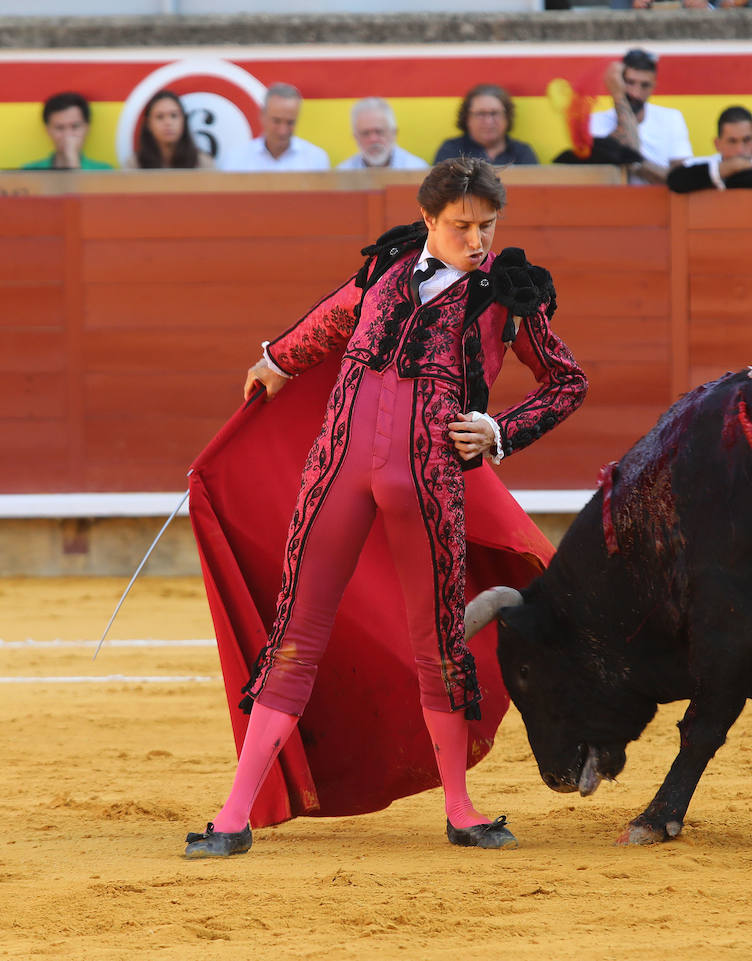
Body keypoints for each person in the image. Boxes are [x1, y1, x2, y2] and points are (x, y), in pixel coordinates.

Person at [183, 157, 587, 858]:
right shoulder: (384, 272)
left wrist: (499, 431)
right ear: (429, 219)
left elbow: (566, 383)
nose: (478, 239)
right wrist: (276, 361)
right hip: (335, 472)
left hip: (428, 486)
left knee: (436, 646)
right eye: (462, 225)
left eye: (487, 225)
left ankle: (460, 809)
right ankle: (233, 814)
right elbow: (328, 321)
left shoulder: (509, 298)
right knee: (294, 637)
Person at [589, 48, 691, 186]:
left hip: (659, 203)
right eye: (630, 83)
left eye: (645, 85)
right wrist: (618, 96)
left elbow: (681, 178)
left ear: (654, 87)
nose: (636, 93)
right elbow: (628, 144)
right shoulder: (596, 121)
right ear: (618, 83)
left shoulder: (671, 118)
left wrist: (635, 164)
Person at [666, 105, 752, 194]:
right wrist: (724, 168)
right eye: (732, 141)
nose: (740, 149)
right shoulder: (698, 164)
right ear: (717, 144)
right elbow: (675, 180)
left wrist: (716, 176)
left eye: (747, 140)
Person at [218, 83, 330, 172]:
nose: (283, 131)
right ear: (262, 116)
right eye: (276, 121)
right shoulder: (236, 160)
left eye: (290, 122)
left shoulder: (316, 160)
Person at [433, 85, 538, 166]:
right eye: (481, 114)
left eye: (495, 113)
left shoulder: (522, 152)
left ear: (507, 117)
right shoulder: (451, 151)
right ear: (467, 118)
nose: (488, 121)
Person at [20, 92, 113, 170]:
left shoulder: (104, 172)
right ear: (47, 130)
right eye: (59, 128)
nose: (68, 135)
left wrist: (73, 160)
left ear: (87, 127)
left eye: (75, 126)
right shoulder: (30, 172)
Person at [125, 89, 213, 169]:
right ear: (148, 124)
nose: (168, 123)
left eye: (174, 115)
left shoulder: (202, 163)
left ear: (184, 120)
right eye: (160, 117)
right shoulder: (134, 165)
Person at [337, 97, 429, 171]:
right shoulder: (342, 173)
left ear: (394, 133)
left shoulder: (417, 170)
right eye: (365, 133)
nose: (373, 139)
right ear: (355, 137)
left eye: (379, 132)